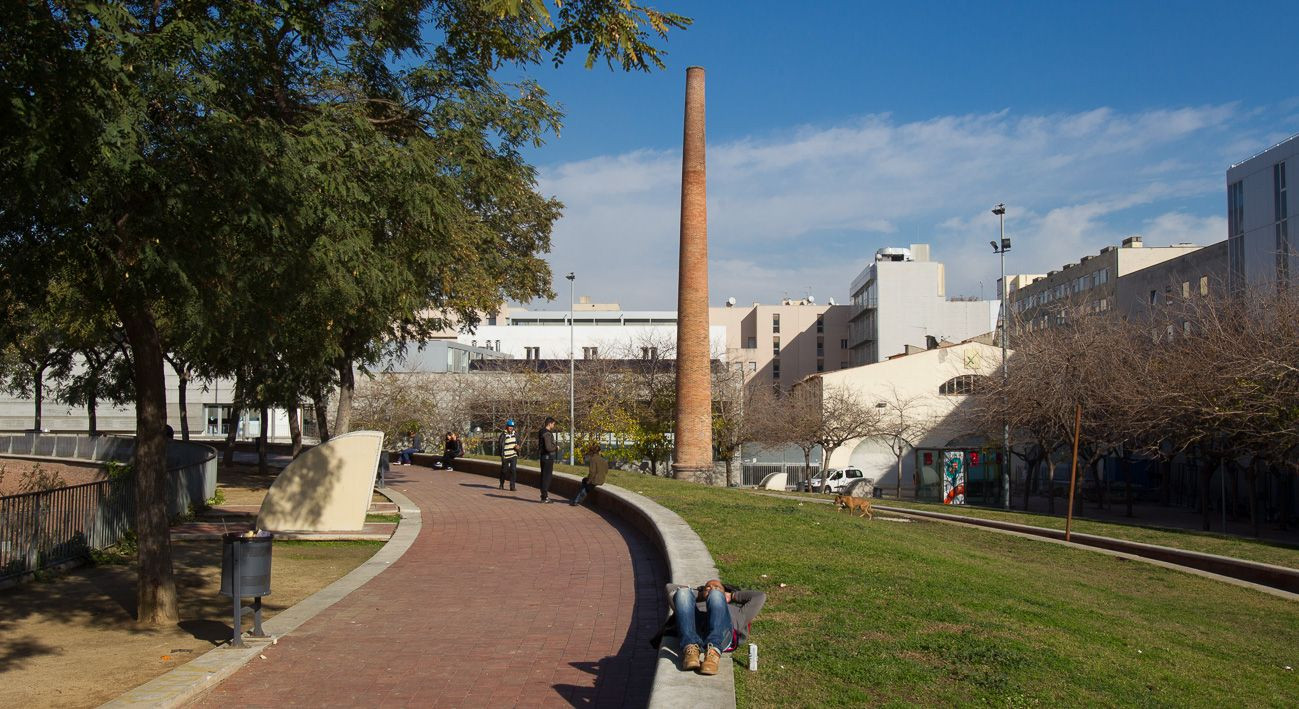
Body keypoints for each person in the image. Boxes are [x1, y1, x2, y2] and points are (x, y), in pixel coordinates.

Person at [661, 580, 766, 676]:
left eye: (717, 587)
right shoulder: (695, 605)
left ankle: (713, 653)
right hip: (694, 632)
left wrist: (732, 595)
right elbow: (670, 587)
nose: (711, 588)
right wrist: (701, 594)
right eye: (708, 587)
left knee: (715, 596)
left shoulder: (738, 612)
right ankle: (691, 650)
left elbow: (760, 596)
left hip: (721, 637)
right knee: (682, 593)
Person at [537, 417, 558, 503]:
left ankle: (543, 496)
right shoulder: (547, 433)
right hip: (548, 458)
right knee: (547, 477)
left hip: (543, 457)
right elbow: (548, 448)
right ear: (549, 423)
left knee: (543, 476)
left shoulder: (541, 431)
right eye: (553, 424)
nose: (554, 425)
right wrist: (556, 448)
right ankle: (544, 497)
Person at [498, 420, 520, 490]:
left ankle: (512, 486)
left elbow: (518, 443)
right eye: (510, 426)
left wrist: (517, 447)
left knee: (513, 470)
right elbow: (500, 446)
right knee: (504, 471)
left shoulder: (515, 434)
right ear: (507, 426)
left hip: (513, 455)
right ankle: (501, 483)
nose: (511, 428)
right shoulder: (503, 435)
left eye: (512, 426)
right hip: (506, 455)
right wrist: (502, 455)